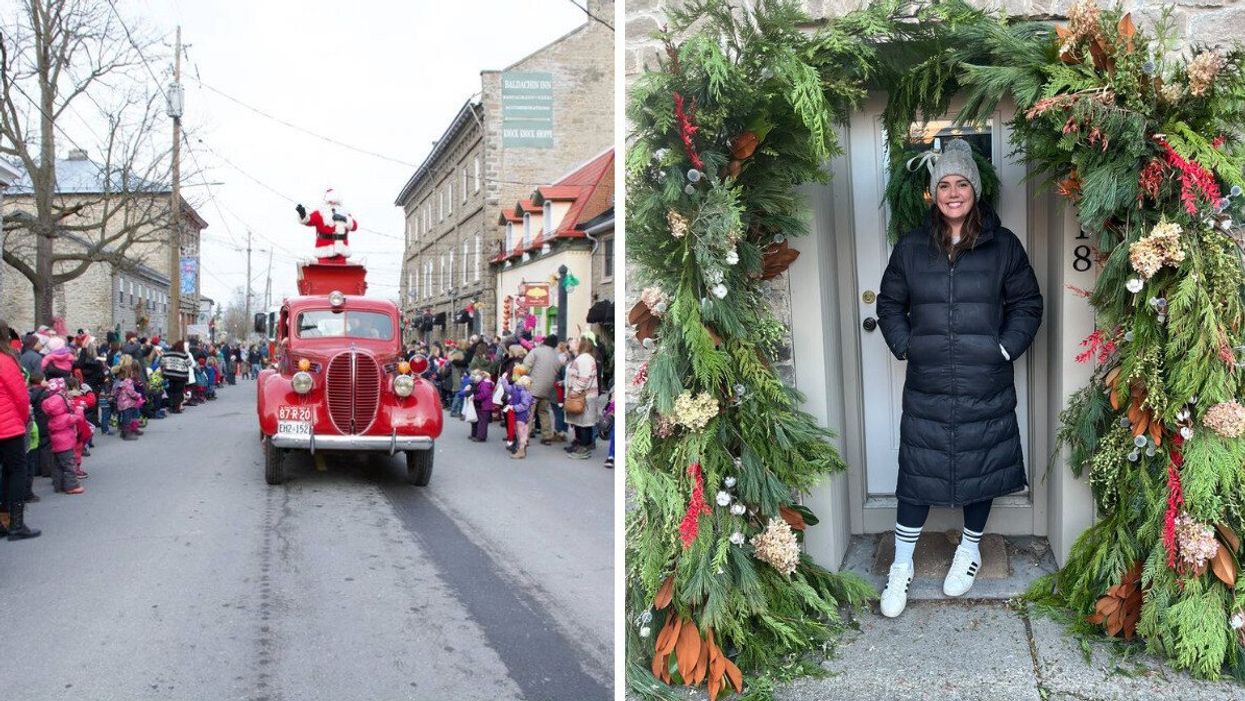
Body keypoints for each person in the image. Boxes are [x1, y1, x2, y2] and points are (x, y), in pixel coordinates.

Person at [874, 139, 1043, 617]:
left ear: (975, 189)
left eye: (961, 183)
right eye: (944, 184)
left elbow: (1028, 304)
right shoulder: (911, 247)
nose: (953, 192)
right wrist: (906, 345)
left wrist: (1004, 348)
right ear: (933, 192)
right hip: (928, 381)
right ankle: (901, 565)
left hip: (983, 379)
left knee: (981, 464)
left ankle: (969, 550)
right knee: (917, 473)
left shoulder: (1003, 245)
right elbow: (889, 304)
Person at [0, 319, 39, 539]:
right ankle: (16, 522)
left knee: (4, 473)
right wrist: (23, 419)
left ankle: (3, 519)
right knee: (15, 472)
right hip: (8, 426)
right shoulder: (6, 361)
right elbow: (20, 395)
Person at [41, 377, 85, 494]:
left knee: (57, 466)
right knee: (69, 465)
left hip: (56, 444)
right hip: (66, 444)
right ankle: (72, 486)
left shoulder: (52, 418)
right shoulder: (65, 417)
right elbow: (78, 418)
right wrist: (79, 409)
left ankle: (58, 485)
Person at [296, 187, 358, 264]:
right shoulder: (321, 212)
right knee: (324, 270)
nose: (332, 204)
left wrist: (344, 219)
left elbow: (354, 226)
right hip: (324, 251)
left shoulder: (345, 213)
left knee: (341, 272)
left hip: (341, 250)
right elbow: (308, 220)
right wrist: (303, 215)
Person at [564, 331, 601, 460]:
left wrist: (575, 391)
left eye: (577, 341)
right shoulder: (585, 357)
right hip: (585, 395)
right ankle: (581, 445)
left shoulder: (584, 358)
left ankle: (583, 449)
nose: (574, 343)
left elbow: (584, 378)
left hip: (584, 396)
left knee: (583, 423)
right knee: (580, 423)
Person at [523, 334, 563, 445]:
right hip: (548, 389)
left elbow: (526, 366)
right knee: (544, 412)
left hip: (533, 388)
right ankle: (547, 436)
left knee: (529, 413)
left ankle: (525, 437)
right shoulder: (557, 357)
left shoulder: (536, 351)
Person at [507, 374, 534, 460]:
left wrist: (514, 407)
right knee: (522, 432)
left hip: (521, 415)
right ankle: (522, 449)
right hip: (523, 415)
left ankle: (521, 451)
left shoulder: (523, 392)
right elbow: (531, 402)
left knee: (521, 433)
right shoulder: (526, 392)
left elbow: (524, 405)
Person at [161, 341, 192, 413]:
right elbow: (189, 363)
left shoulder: (167, 353)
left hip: (169, 375)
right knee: (178, 392)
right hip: (180, 376)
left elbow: (162, 363)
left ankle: (171, 406)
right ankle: (177, 407)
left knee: (170, 391)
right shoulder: (184, 355)